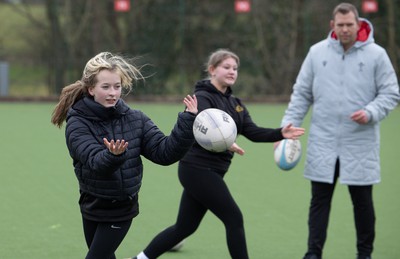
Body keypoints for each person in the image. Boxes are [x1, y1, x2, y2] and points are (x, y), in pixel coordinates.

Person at [131, 49, 305, 259]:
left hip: (213, 171)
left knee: (184, 227)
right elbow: (200, 128)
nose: (232, 71)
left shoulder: (236, 104)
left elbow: (251, 131)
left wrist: (281, 133)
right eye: (226, 67)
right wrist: (226, 143)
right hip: (196, 168)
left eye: (235, 68)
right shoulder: (202, 98)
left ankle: (140, 258)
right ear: (212, 70)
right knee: (234, 218)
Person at [279, 3, 400, 259]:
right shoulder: (316, 52)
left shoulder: (377, 55)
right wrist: (287, 125)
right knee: (319, 201)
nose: (345, 29)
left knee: (362, 202)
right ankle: (313, 253)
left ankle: (364, 254)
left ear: (359, 24)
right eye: (340, 25)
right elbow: (301, 92)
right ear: (332, 26)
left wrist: (370, 112)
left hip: (360, 141)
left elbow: (390, 93)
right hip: (323, 140)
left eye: (350, 25)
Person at [50, 52, 198, 259]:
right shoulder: (78, 123)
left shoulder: (135, 118)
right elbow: (95, 161)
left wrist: (187, 121)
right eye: (106, 87)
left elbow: (164, 153)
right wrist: (113, 155)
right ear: (91, 89)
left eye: (117, 86)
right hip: (91, 203)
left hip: (120, 206)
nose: (113, 93)